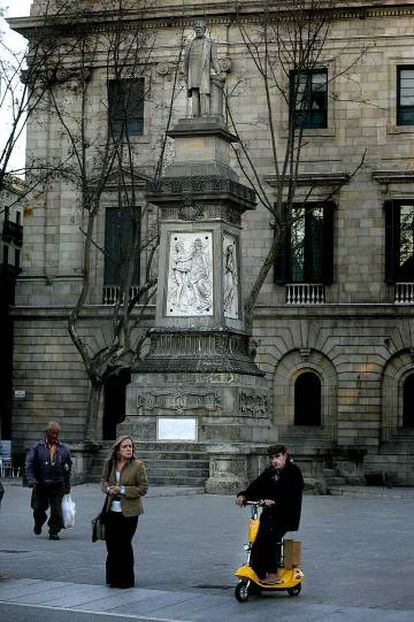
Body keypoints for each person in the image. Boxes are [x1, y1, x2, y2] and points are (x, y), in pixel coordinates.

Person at [235, 444, 304, 584]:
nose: (274, 461)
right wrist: (243, 495)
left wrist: (275, 500)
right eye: (272, 458)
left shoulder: (293, 472)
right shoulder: (271, 472)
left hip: (285, 516)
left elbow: (291, 493)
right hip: (270, 516)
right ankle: (258, 575)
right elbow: (256, 486)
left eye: (277, 457)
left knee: (268, 540)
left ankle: (273, 574)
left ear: (285, 455)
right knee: (256, 542)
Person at [100, 435, 148, 589]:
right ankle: (112, 579)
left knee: (124, 545)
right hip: (110, 511)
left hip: (129, 513)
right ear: (118, 449)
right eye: (125, 446)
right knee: (111, 545)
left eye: (131, 446)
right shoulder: (110, 464)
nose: (129, 449)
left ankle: (126, 581)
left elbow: (142, 489)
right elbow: (103, 482)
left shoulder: (138, 465)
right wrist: (108, 489)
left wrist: (121, 489)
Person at [26, 421, 72, 540]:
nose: (55, 436)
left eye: (57, 433)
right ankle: (39, 521)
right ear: (47, 433)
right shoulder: (37, 447)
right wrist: (31, 480)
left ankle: (54, 531)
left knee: (56, 510)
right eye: (52, 433)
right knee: (38, 509)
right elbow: (29, 464)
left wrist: (67, 486)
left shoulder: (64, 448)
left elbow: (68, 468)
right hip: (41, 484)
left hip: (58, 483)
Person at [183, 19, 222, 116]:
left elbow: (214, 59)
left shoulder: (210, 43)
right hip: (193, 72)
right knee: (195, 92)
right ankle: (195, 115)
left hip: (204, 71)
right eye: (196, 28)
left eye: (200, 28)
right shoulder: (190, 44)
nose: (198, 29)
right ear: (194, 29)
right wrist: (185, 73)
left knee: (204, 93)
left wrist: (218, 71)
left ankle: (204, 115)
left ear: (204, 29)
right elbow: (186, 61)